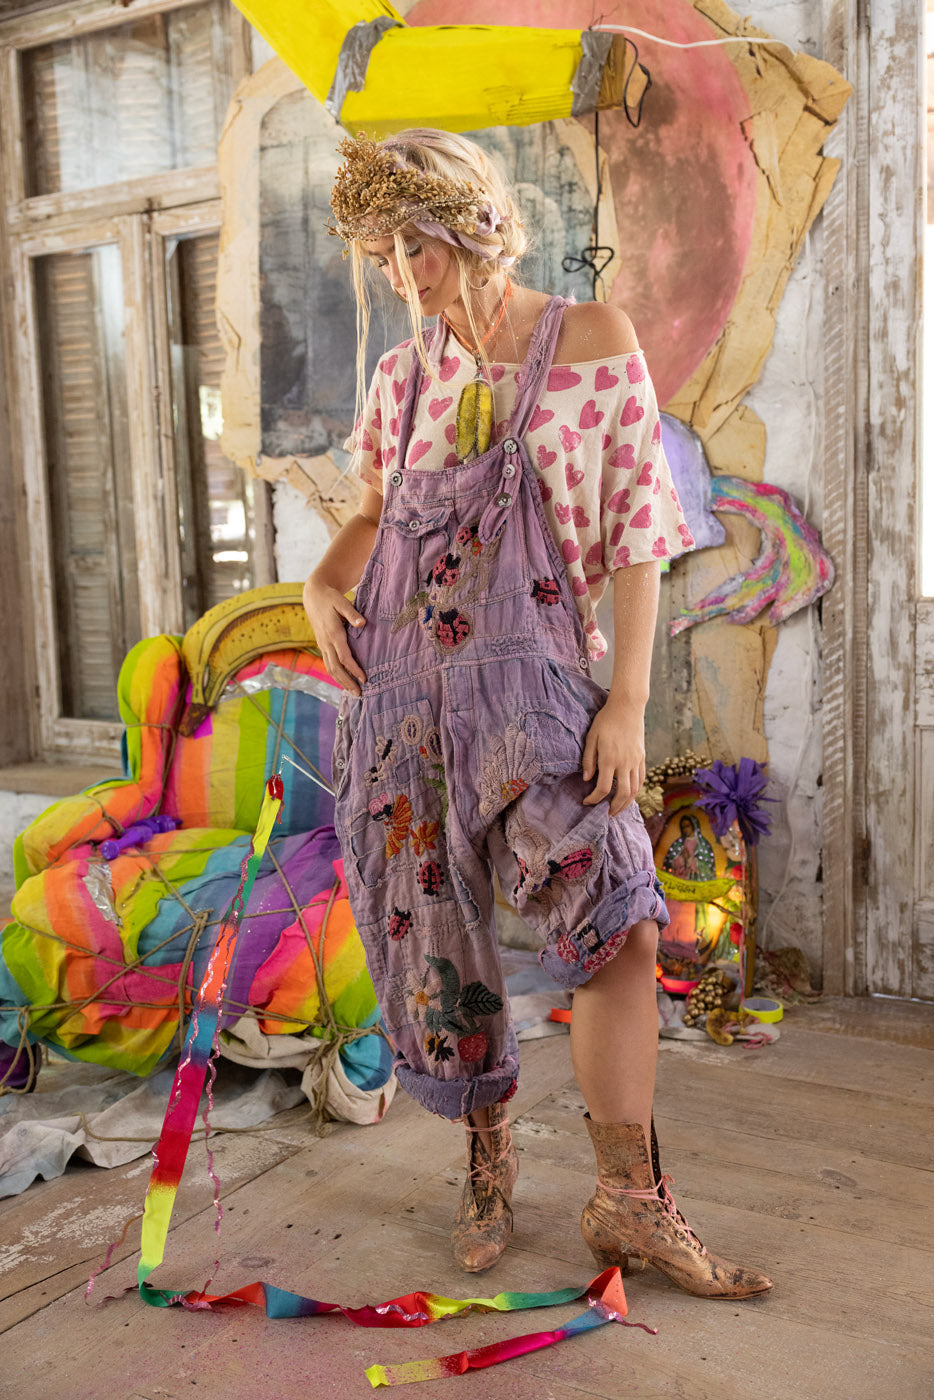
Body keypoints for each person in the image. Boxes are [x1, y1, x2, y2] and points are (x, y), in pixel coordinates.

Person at [302, 129, 771, 1299]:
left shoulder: (589, 343)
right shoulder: (402, 377)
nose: (404, 272)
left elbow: (637, 528)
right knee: (437, 946)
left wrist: (626, 701)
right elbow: (372, 509)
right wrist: (322, 578)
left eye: (416, 243)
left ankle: (629, 1200)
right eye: (381, 252)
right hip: (406, 705)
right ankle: (488, 1158)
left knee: (621, 913)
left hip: (542, 695)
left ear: (470, 223)